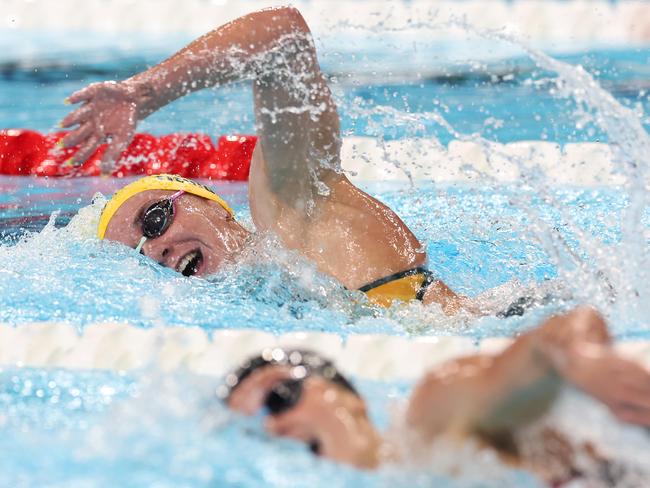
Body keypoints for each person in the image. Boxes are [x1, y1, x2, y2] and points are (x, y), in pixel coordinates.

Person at [60, 6, 480, 314]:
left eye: (153, 221)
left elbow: (285, 36)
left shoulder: (295, 212)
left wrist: (145, 92)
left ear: (209, 201)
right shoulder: (264, 298)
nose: (157, 249)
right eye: (139, 255)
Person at [223, 307, 650, 485]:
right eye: (257, 431)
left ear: (349, 397)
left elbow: (556, 336)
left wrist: (579, 360)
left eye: (279, 396)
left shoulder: (435, 419)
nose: (276, 426)